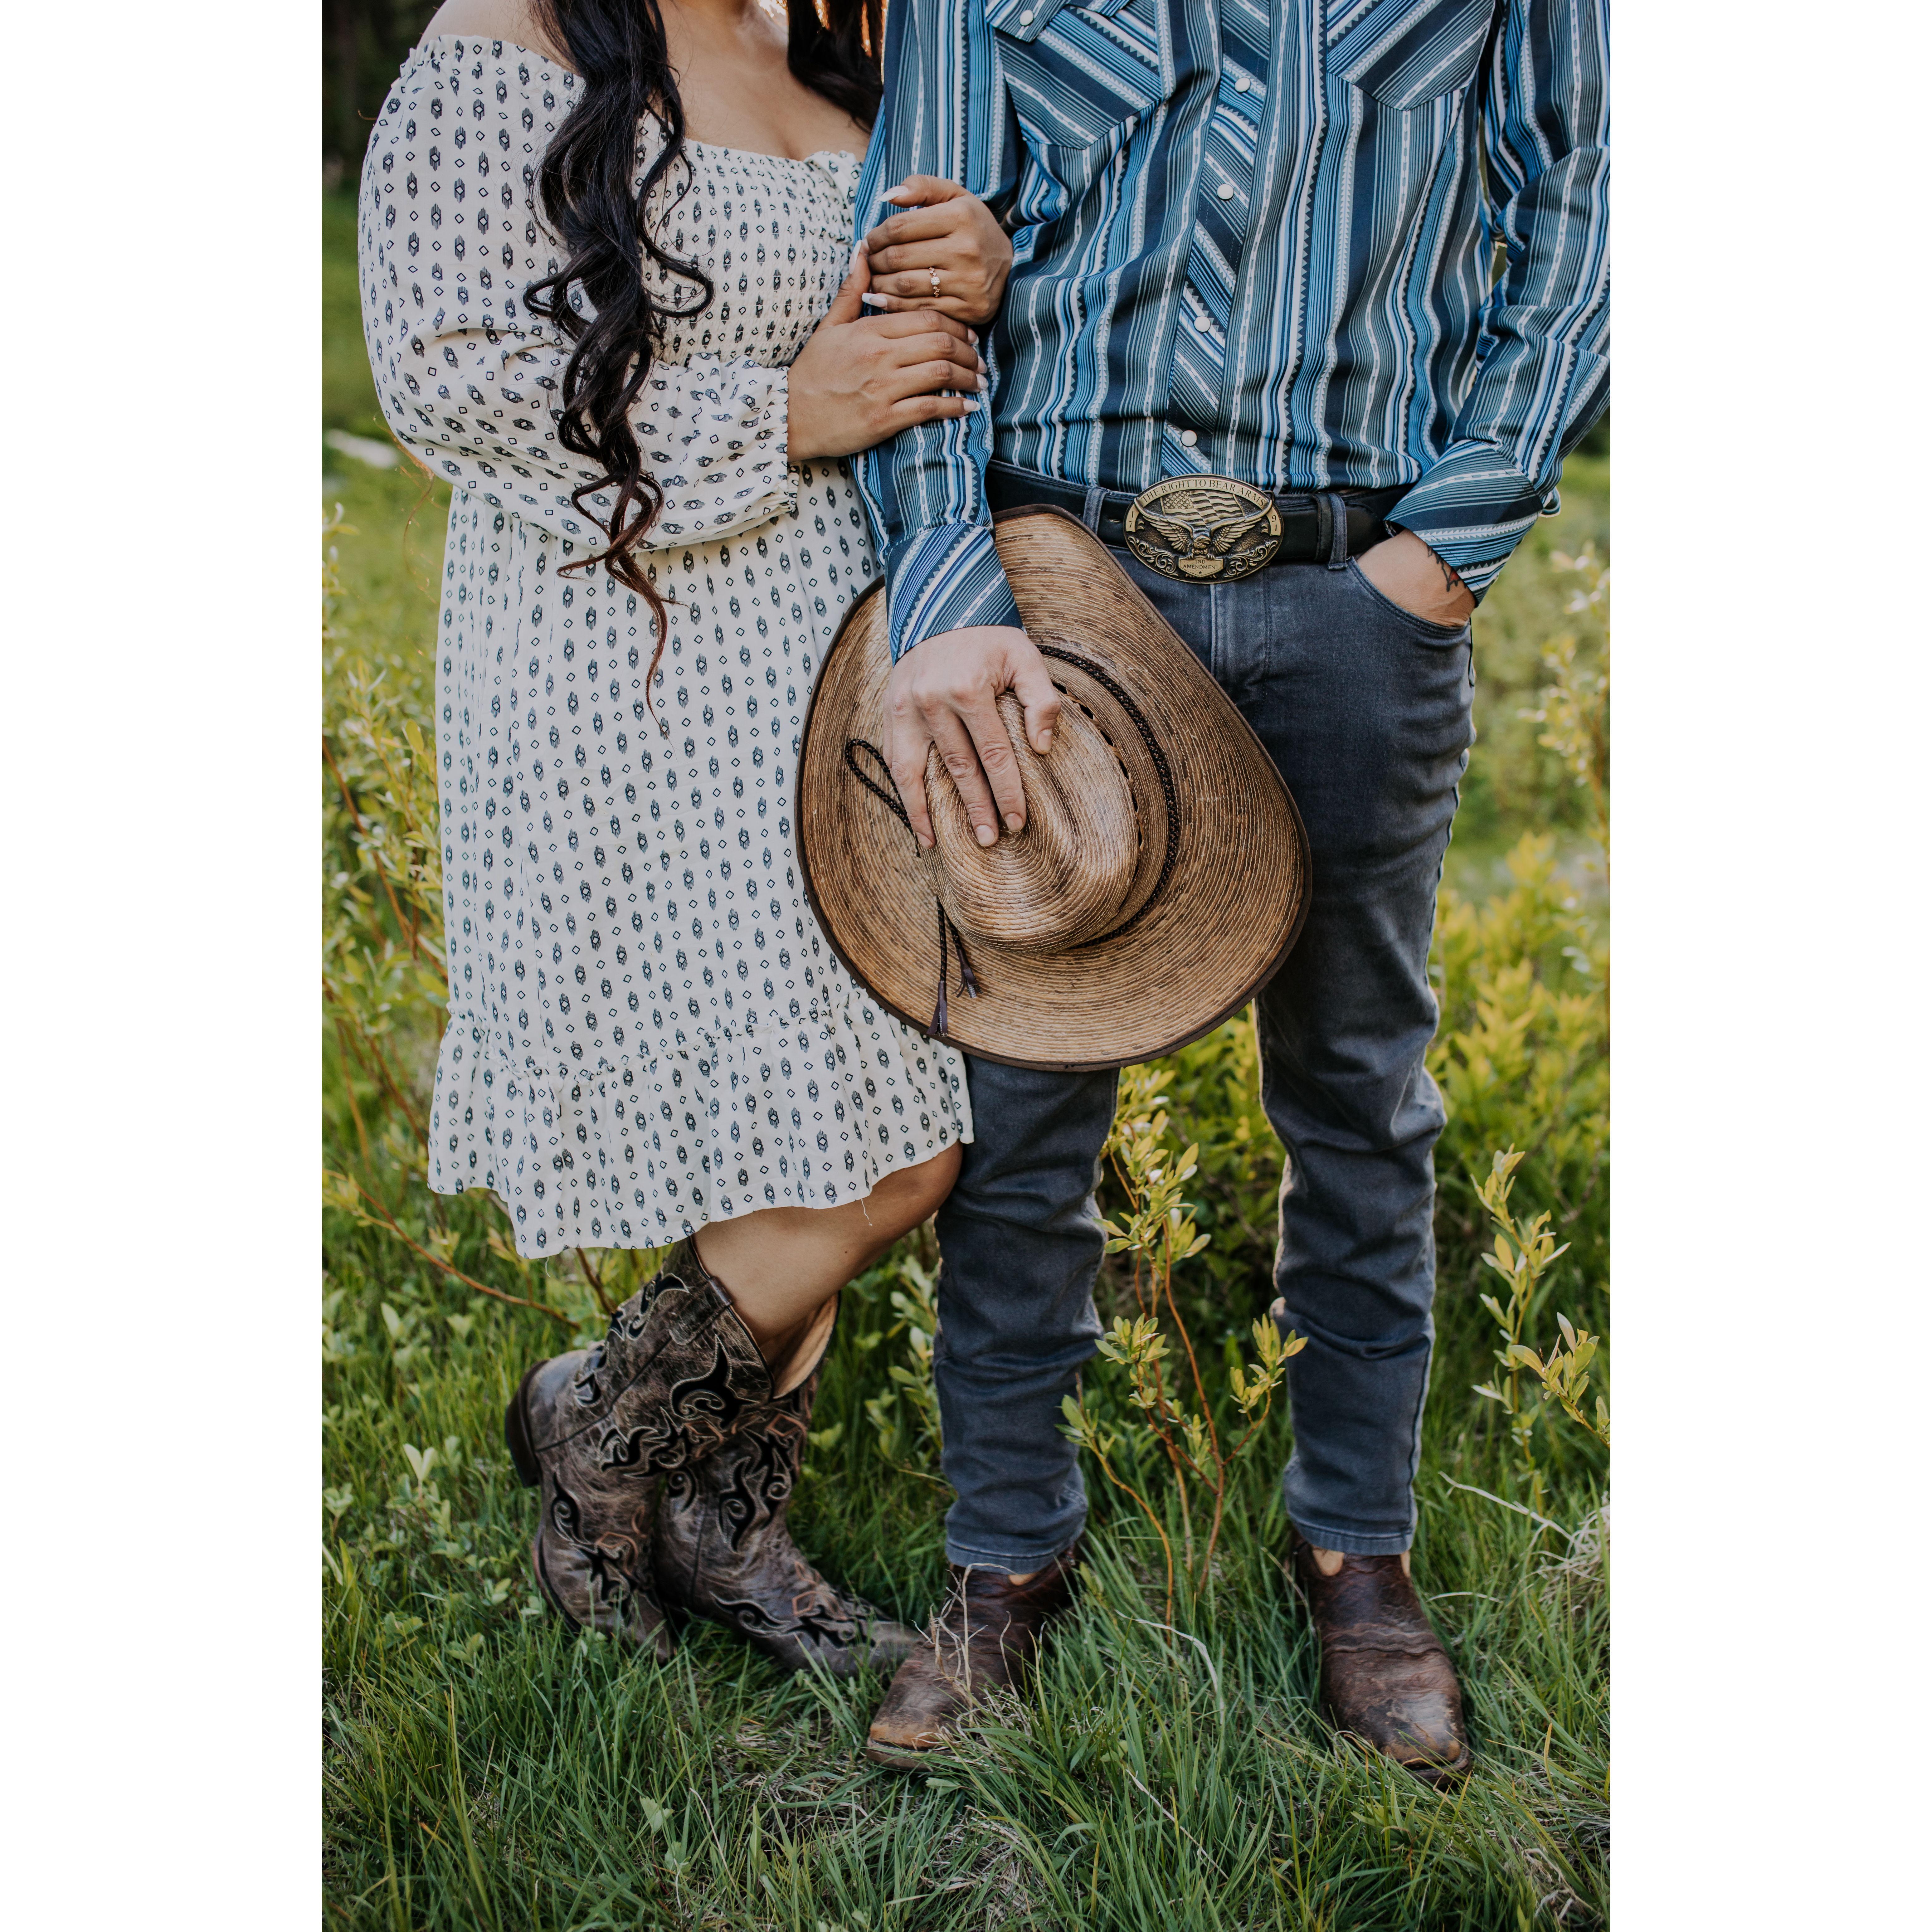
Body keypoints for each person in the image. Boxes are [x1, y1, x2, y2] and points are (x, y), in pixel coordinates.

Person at [850, 0, 1608, 1779]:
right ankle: (1003, 1550)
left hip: (1357, 590)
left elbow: (1585, 203)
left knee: (1357, 1087)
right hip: (1061, 586)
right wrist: (948, 586)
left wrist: (1442, 552)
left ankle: (1358, 1552)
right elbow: (913, 268)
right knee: (1021, 1099)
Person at [357, 0, 1016, 1672]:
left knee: (848, 1106)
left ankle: (673, 1482)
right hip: (622, 661)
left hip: (823, 659)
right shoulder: (510, 35)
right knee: (869, 1148)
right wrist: (776, 415)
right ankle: (629, 1459)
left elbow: (893, 359)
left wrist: (978, 275)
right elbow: (443, 373)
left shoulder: (832, 47)